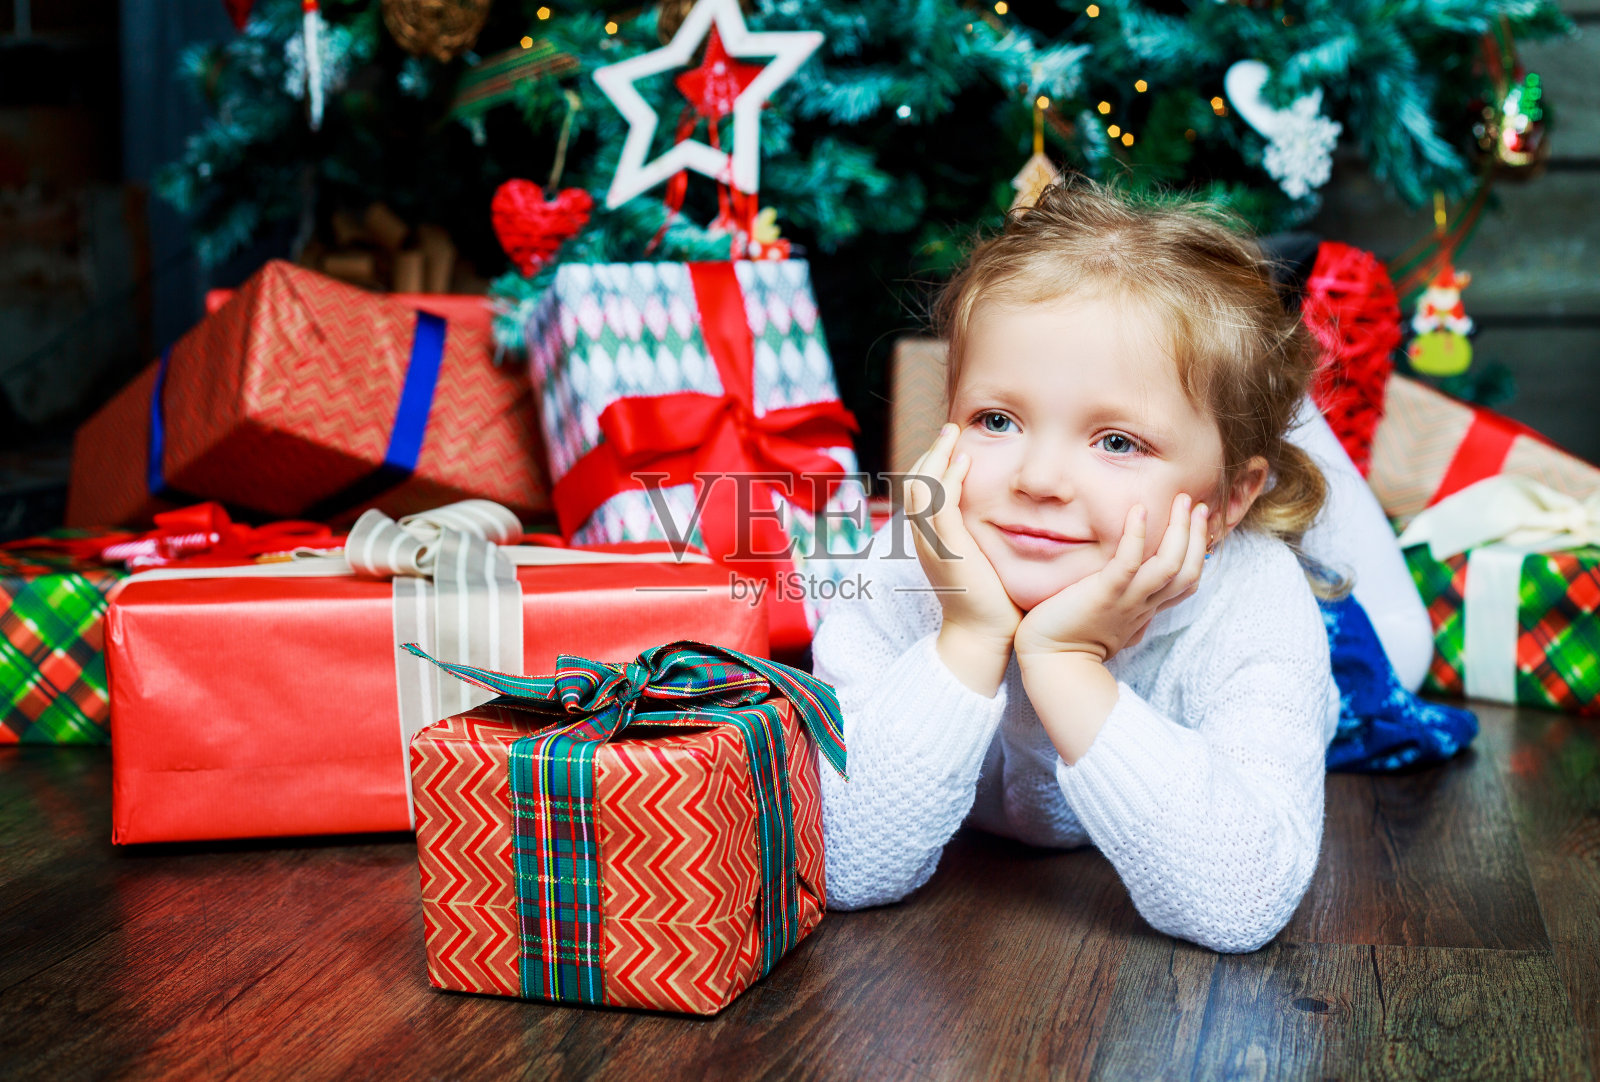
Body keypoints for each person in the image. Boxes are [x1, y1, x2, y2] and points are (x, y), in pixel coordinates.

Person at [814, 176, 1400, 953]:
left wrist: (1066, 663)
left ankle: (1290, 440)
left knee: (1398, 647)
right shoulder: (908, 561)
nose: (1038, 480)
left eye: (1118, 441)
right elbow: (843, 862)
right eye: (997, 420)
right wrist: (968, 634)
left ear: (1227, 500)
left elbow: (1242, 902)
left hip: (1315, 625)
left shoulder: (1255, 598)